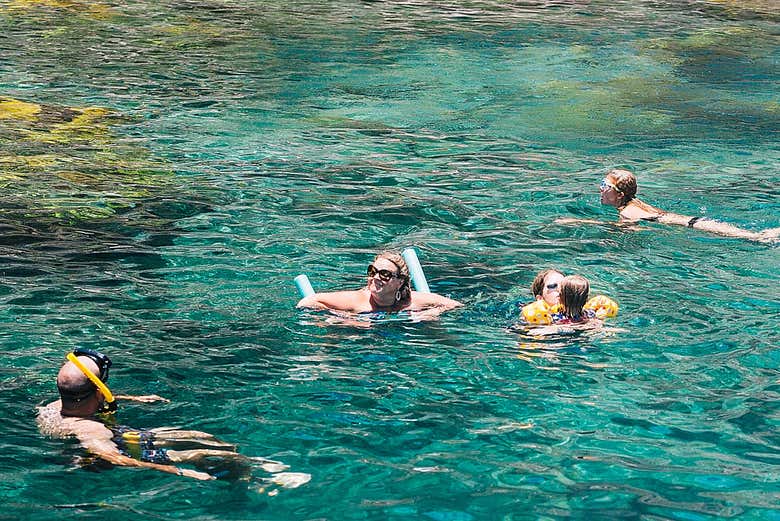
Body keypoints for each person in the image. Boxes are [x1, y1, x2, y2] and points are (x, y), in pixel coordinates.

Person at [37, 349, 294, 482]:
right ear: (99, 392)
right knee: (200, 452)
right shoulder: (92, 432)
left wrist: (134, 399)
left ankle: (250, 463)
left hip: (118, 436)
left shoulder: (53, 406)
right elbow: (116, 459)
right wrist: (178, 472)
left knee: (198, 436)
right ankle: (255, 478)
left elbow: (84, 396)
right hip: (116, 450)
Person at [559, 169, 780, 243]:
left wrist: (578, 221)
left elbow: (626, 232)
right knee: (754, 235)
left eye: (604, 185)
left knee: (755, 238)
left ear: (618, 194)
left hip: (697, 227)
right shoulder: (633, 204)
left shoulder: (628, 211)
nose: (599, 189)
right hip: (694, 223)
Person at [296, 251, 462, 316]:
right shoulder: (357, 301)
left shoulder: (412, 301)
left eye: (384, 274)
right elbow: (307, 302)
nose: (375, 277)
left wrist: (431, 313)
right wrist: (341, 317)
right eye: (372, 271)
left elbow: (456, 305)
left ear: (399, 282)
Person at [520, 269, 618, 325]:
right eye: (553, 286)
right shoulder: (534, 317)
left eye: (564, 285)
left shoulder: (589, 314)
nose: (560, 290)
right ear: (540, 299)